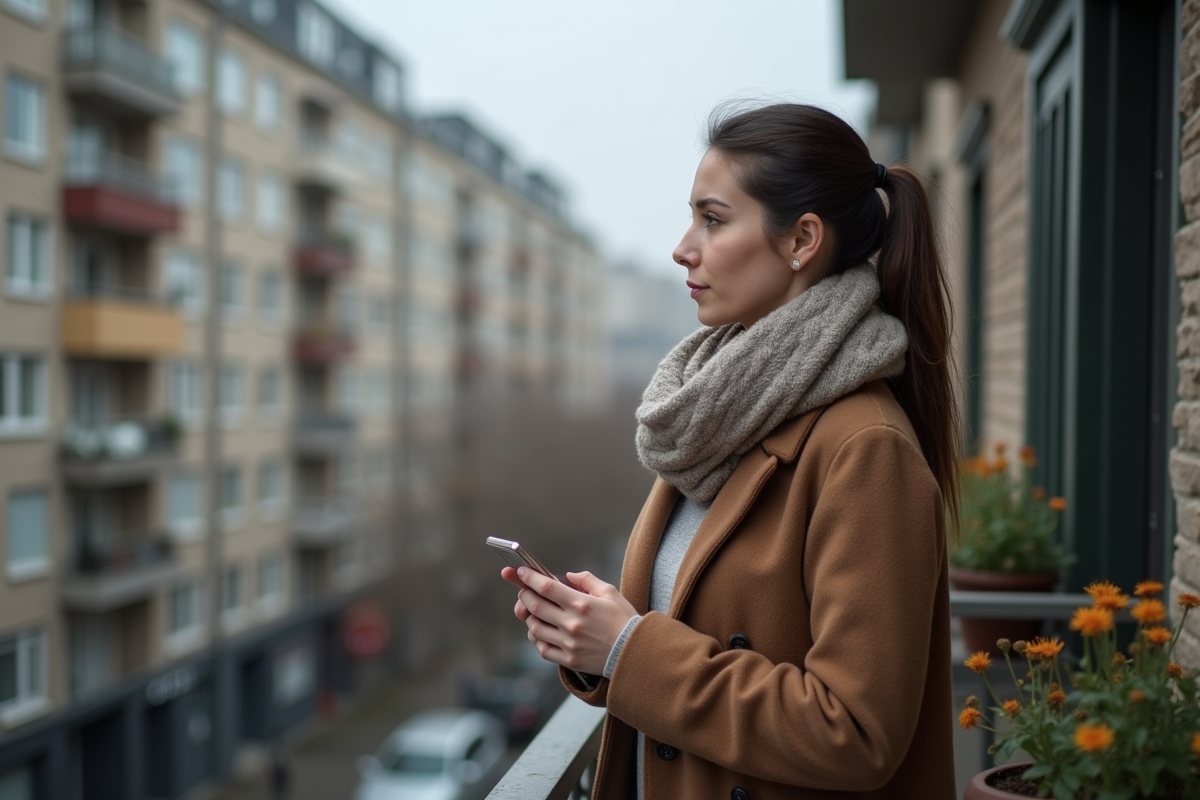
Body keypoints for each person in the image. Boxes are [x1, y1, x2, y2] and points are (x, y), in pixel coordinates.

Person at [501, 103, 958, 800]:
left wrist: (629, 651)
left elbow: (858, 734)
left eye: (713, 220)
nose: (683, 248)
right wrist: (590, 642)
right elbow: (685, 646)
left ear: (802, 239)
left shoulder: (865, 449)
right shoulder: (718, 413)